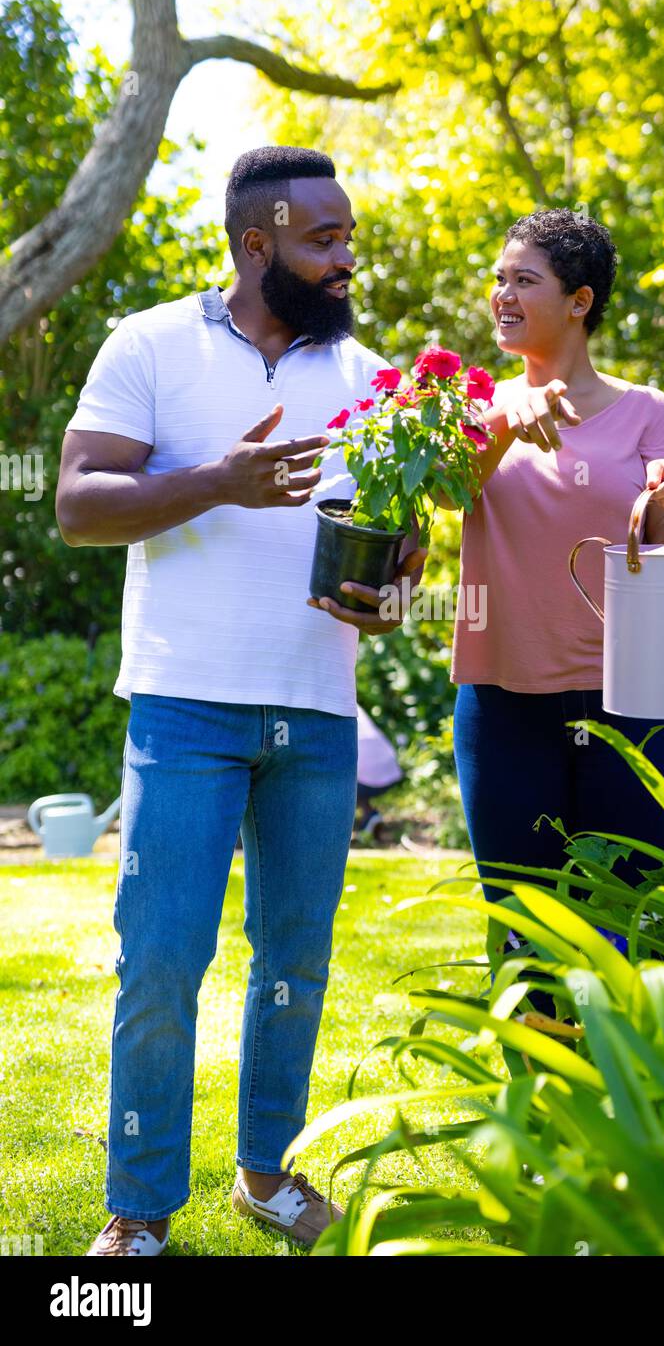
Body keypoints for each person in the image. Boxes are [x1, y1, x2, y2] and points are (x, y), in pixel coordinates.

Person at [55, 146, 426, 1257]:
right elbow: (78, 503)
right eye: (327, 239)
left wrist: (395, 586)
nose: (348, 257)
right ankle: (138, 1210)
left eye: (351, 235)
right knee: (163, 956)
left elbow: (402, 540)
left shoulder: (369, 372)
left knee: (295, 960)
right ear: (257, 244)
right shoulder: (152, 344)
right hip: (185, 705)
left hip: (317, 711)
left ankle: (265, 1171)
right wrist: (219, 478)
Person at [440, 209, 664, 1011]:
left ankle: (631, 1113)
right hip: (503, 705)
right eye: (498, 278)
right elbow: (440, 497)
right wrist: (499, 424)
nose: (501, 293)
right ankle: (537, 1123)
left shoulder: (648, 414)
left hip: (636, 705)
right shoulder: (474, 410)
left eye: (523, 280)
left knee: (631, 924)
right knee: (524, 929)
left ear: (578, 300)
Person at [354, 707, 403, 841]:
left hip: (369, 772)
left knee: (337, 787)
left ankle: (368, 818)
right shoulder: (350, 703)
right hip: (389, 768)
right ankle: (369, 817)